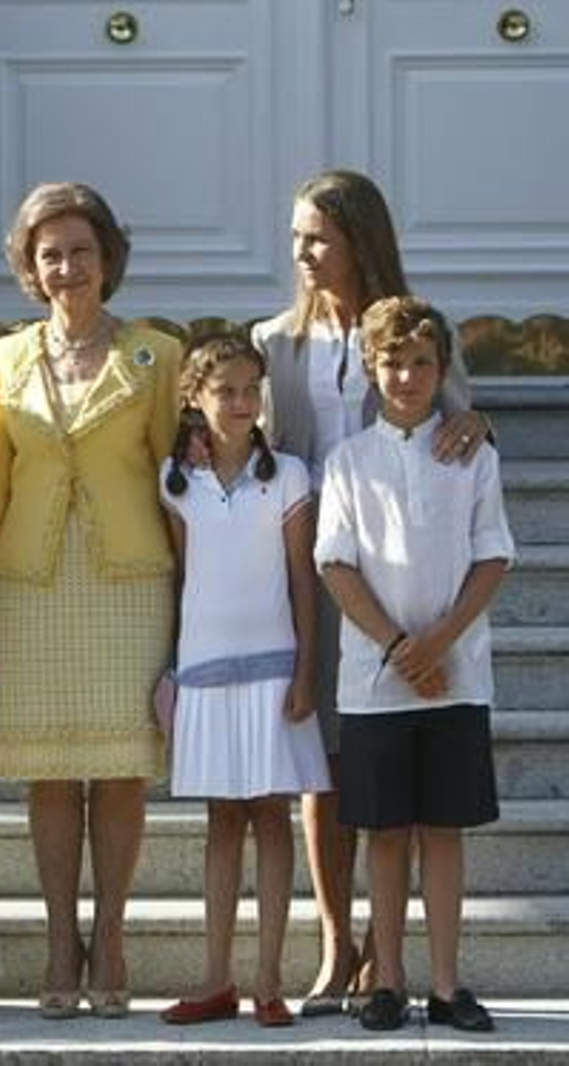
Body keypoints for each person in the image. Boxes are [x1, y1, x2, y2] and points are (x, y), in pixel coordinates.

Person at [251, 170, 491, 1014]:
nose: (303, 253)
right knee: (325, 765)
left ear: (359, 238)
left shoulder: (412, 331)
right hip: (312, 569)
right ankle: (337, 943)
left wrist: (477, 420)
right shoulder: (275, 341)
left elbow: (455, 418)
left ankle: (411, 963)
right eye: (295, 239)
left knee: (390, 770)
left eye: (317, 236)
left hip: (398, 573)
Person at [0, 181, 180, 1019]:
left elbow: (177, 486)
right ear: (29, 265)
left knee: (121, 769)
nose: (66, 267)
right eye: (48, 253)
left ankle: (113, 938)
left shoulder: (156, 356)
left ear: (107, 258)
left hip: (130, 581)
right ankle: (62, 939)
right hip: (32, 585)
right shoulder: (4, 359)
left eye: (80, 251)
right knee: (49, 772)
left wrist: (194, 599)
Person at [314, 295, 513, 1033]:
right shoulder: (347, 463)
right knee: (387, 833)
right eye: (391, 361)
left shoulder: (471, 455)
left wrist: (440, 643)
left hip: (456, 677)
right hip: (376, 684)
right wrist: (399, 649)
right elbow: (335, 563)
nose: (405, 375)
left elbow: (493, 555)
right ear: (370, 367)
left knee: (443, 831)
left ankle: (449, 983)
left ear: (443, 370)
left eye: (421, 362)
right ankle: (388, 980)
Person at [156, 335, 330, 1029]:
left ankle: (268, 980)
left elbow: (301, 581)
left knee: (271, 815)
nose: (240, 403)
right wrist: (171, 669)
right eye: (224, 390)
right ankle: (215, 978)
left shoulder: (286, 475)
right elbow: (180, 579)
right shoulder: (176, 482)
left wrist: (306, 671)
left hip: (273, 667)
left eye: (250, 390)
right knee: (221, 820)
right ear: (194, 398)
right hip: (204, 670)